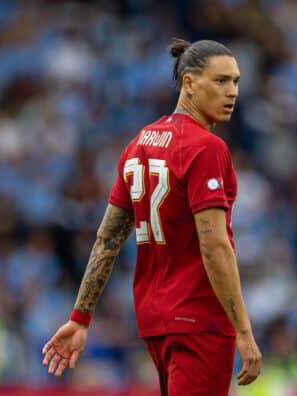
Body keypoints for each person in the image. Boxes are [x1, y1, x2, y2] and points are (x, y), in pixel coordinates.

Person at [42, 38, 262, 395]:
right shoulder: (206, 148)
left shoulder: (140, 142)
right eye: (220, 81)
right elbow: (215, 246)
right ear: (189, 83)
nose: (232, 91)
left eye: (235, 81)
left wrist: (80, 318)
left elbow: (108, 237)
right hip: (199, 319)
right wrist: (244, 331)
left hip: (155, 319)